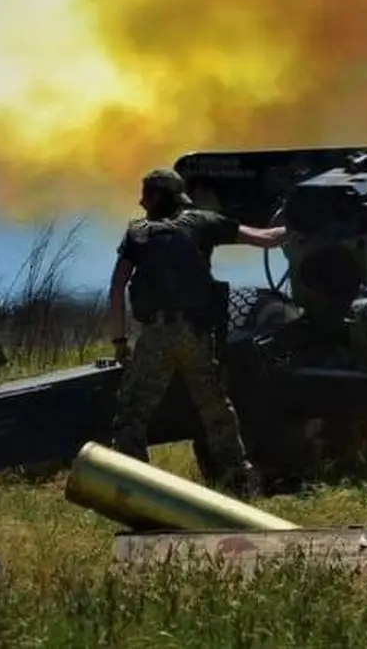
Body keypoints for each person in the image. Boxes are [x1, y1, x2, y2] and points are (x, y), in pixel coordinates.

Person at [106, 167, 287, 498]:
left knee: (132, 416)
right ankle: (240, 486)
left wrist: (119, 341)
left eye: (146, 195)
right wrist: (302, 222)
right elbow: (267, 239)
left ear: (158, 197)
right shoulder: (203, 222)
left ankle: (137, 491)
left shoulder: (137, 234)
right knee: (216, 413)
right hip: (197, 336)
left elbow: (117, 288)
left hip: (156, 335)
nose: (141, 202)